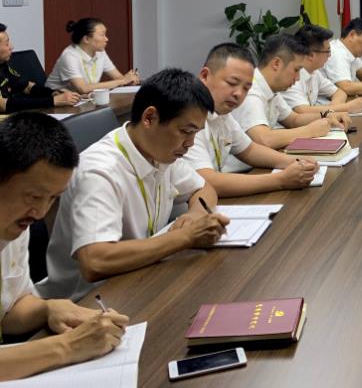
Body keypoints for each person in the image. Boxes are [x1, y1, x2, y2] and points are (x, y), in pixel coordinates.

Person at [39, 69, 230, 301]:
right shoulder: (99, 172)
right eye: (185, 131)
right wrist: (185, 237)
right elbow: (95, 261)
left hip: (139, 277)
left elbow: (204, 189)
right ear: (150, 118)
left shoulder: (159, 149)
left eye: (195, 133)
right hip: (87, 301)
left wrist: (195, 215)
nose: (190, 143)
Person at [0, 113, 129, 380]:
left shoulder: (13, 222)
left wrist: (48, 308)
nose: (40, 212)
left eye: (53, 198)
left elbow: (9, 310)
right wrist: (67, 347)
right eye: (34, 196)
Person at [184, 43, 319, 197]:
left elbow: (249, 150)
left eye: (246, 88)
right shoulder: (187, 116)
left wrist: (296, 161)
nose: (238, 93)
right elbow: (206, 181)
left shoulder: (222, 113)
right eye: (232, 83)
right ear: (204, 76)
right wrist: (281, 180)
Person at [231, 34, 347, 153]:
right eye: (296, 70)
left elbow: (294, 119)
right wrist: (309, 131)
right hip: (247, 165)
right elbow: (264, 139)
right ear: (276, 64)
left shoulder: (271, 88)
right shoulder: (251, 91)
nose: (298, 78)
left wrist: (327, 115)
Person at [285, 25, 362, 117]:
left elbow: (339, 92)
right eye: (327, 52)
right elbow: (303, 111)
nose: (329, 56)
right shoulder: (292, 76)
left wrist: (332, 108)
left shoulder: (314, 73)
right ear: (311, 55)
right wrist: (346, 107)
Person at [45, 18, 140, 94]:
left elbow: (118, 78)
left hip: (81, 100)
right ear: (86, 39)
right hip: (55, 101)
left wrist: (130, 80)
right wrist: (123, 81)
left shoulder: (100, 52)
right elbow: (83, 88)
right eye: (102, 35)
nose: (106, 39)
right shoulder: (69, 56)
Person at [0, 23, 81, 112]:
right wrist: (53, 101)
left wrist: (53, 93)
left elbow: (26, 86)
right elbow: (2, 105)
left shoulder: (3, 65)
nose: (12, 47)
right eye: (7, 44)